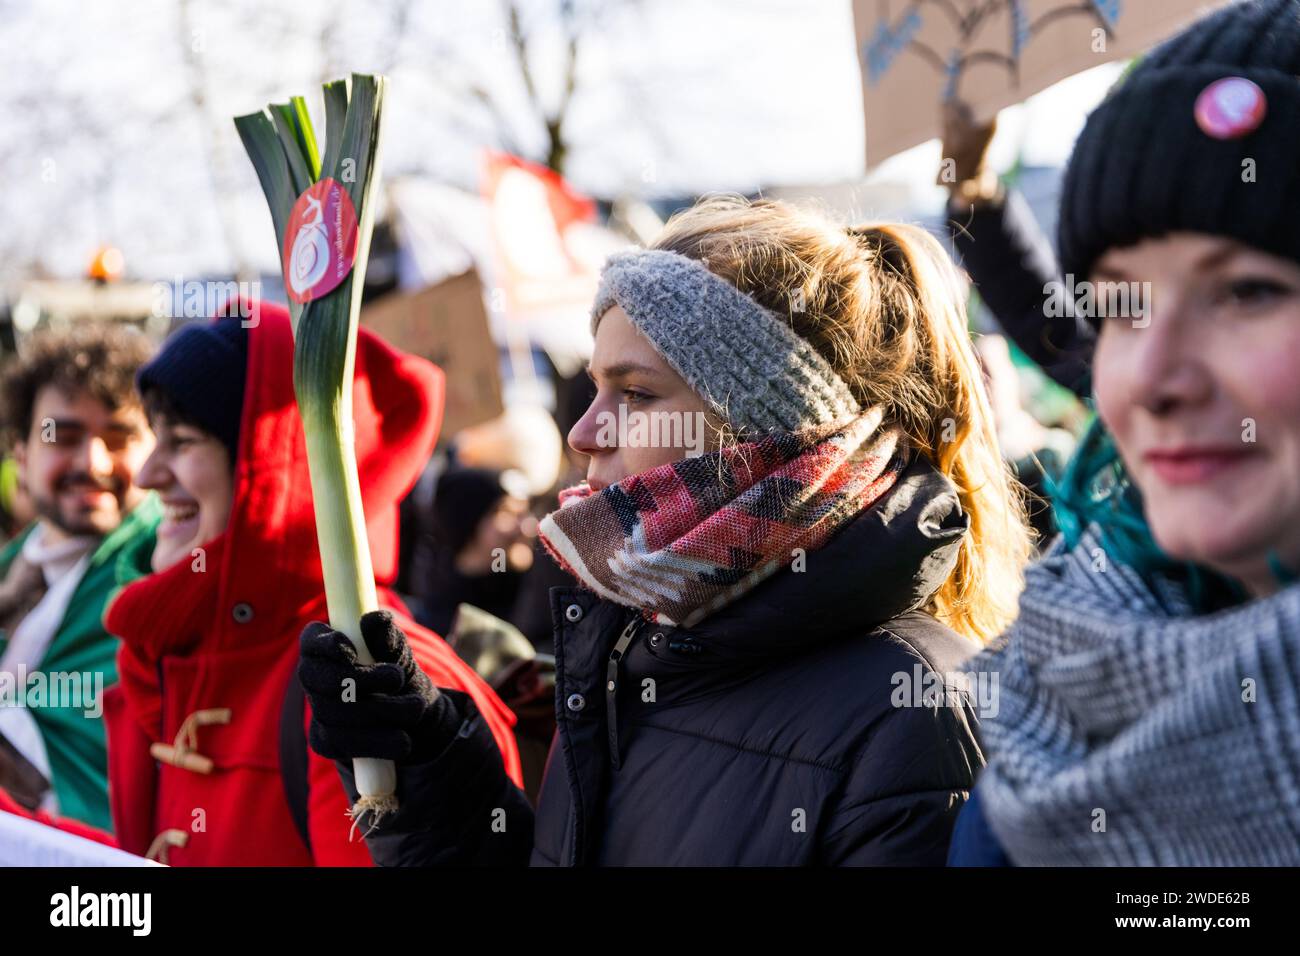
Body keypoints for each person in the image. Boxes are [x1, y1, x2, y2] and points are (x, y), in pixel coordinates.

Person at [300, 195, 1034, 866]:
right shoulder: (634, 646)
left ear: (771, 429)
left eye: (637, 393)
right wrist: (433, 775)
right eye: (595, 389)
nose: (585, 431)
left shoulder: (917, 719)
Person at [949, 0, 1300, 865]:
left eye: (1247, 290)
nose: (1146, 379)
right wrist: (972, 193)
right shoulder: (1047, 727)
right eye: (1120, 303)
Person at [100, 302, 521, 865]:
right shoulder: (179, 648)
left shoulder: (374, 680)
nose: (148, 474)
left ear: (275, 465)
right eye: (155, 437)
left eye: (181, 440)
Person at [0, 323, 157, 831]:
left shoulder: (163, 572)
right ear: (21, 455)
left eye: (118, 438)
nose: (91, 462)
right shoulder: (12, 568)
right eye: (62, 438)